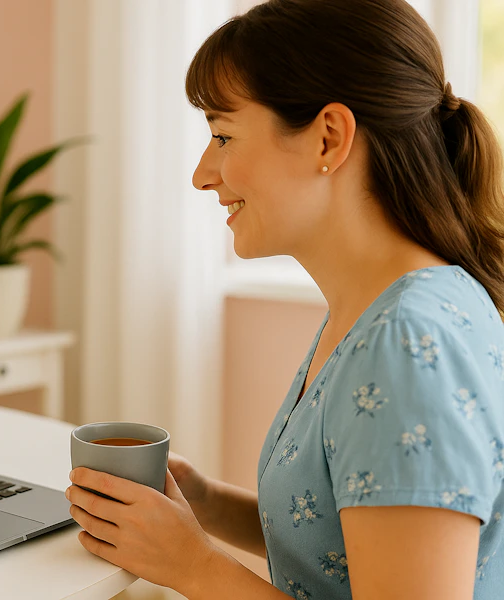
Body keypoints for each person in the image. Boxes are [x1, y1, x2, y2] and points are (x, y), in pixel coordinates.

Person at [65, 1, 504, 598]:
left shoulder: (405, 340)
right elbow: (347, 541)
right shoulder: (377, 310)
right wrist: (207, 504)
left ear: (329, 138)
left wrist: (193, 566)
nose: (202, 174)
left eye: (223, 136)